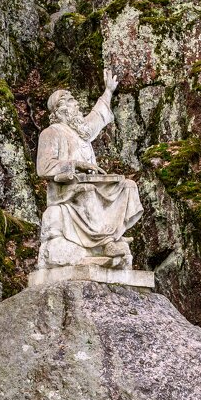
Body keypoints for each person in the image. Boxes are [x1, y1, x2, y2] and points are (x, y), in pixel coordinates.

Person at [35, 69, 143, 269]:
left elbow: (97, 117)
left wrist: (108, 91)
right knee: (88, 191)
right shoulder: (51, 133)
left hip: (89, 183)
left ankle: (114, 234)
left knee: (128, 186)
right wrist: (75, 165)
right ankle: (105, 242)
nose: (76, 103)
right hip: (66, 190)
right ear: (60, 109)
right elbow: (44, 167)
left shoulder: (80, 132)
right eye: (71, 100)